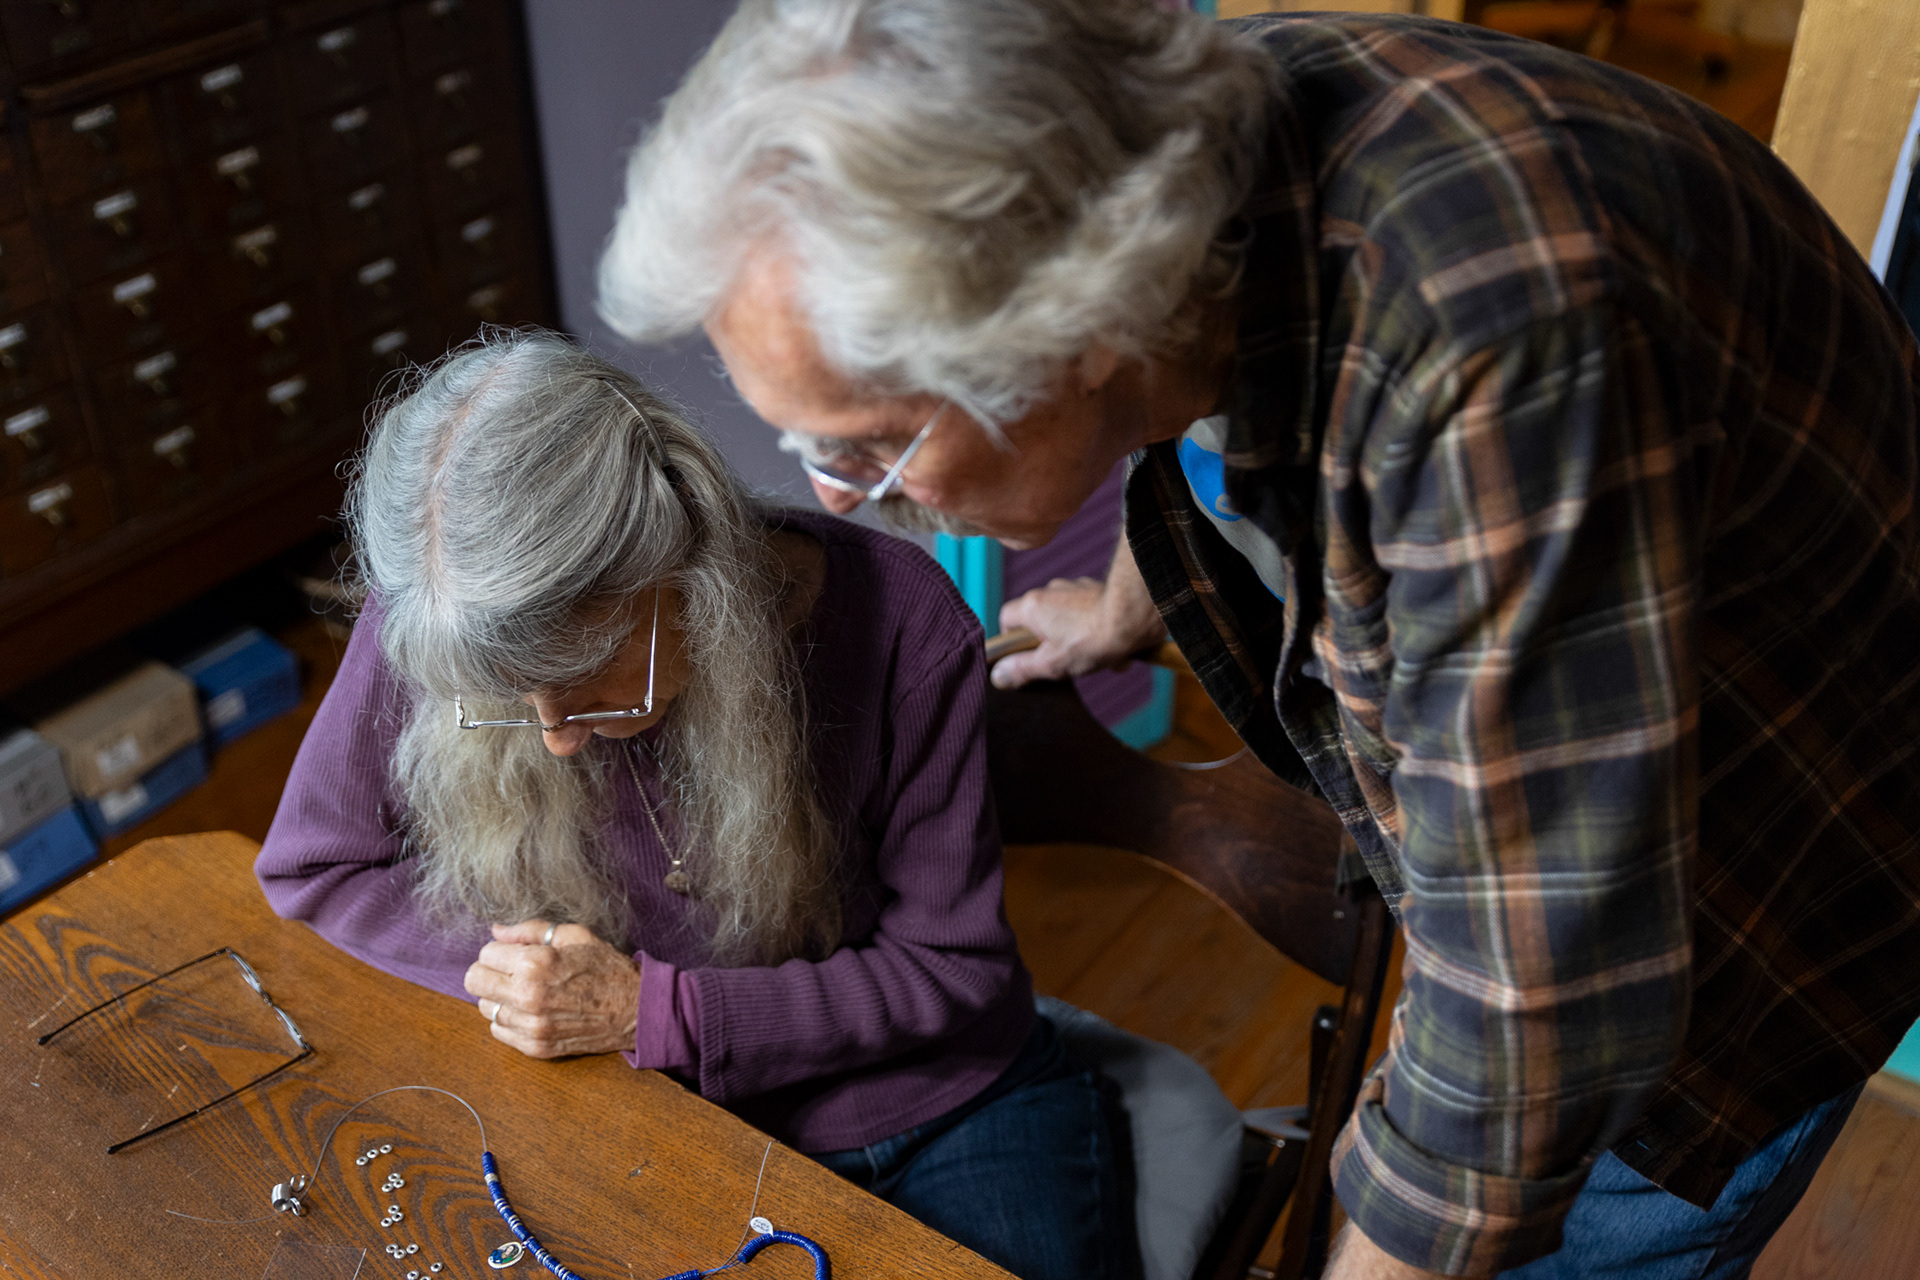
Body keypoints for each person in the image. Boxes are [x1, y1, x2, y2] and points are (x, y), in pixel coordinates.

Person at [595, 3, 1920, 1278]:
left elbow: (1532, 1009)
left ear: (1078, 334)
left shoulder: (1495, 359)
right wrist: (1128, 600)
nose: (835, 496)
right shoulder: (1154, 164)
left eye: (874, 442)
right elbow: (1179, 397)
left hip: (1754, 884)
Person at [253, 332, 1130, 1280]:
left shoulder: (904, 620)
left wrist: (655, 1014)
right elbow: (316, 862)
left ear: (684, 582)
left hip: (931, 1110)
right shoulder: (457, 617)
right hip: (659, 1112)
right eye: (514, 696)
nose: (554, 734)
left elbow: (948, 967)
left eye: (584, 676)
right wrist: (536, 988)